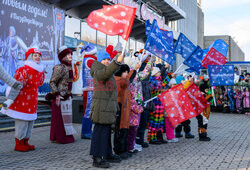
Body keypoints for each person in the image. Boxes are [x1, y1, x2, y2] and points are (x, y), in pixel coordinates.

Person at [3, 48, 45, 151]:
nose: (38, 57)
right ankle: (19, 143)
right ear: (30, 57)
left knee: (30, 123)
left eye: (39, 55)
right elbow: (16, 86)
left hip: (32, 102)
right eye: (35, 55)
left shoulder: (39, 72)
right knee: (22, 123)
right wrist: (10, 99)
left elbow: (39, 84)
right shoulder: (23, 70)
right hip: (21, 101)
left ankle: (26, 142)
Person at [90, 51, 124, 168]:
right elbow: (104, 74)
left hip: (108, 108)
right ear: (99, 61)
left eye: (108, 60)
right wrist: (116, 62)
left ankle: (108, 154)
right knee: (99, 132)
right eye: (104, 60)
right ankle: (97, 158)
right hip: (101, 108)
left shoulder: (107, 72)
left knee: (107, 132)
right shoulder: (97, 70)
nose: (106, 61)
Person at [46, 46, 76, 144]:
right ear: (63, 57)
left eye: (70, 54)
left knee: (65, 118)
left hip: (66, 97)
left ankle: (59, 136)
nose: (70, 55)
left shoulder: (70, 67)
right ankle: (60, 137)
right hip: (60, 97)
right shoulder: (59, 67)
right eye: (67, 54)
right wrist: (57, 94)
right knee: (59, 119)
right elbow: (52, 82)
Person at [113, 64, 134, 159]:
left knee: (125, 130)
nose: (126, 74)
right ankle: (119, 150)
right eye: (124, 72)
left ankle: (124, 149)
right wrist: (134, 71)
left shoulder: (122, 80)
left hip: (125, 109)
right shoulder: (119, 81)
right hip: (120, 108)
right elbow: (125, 83)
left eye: (127, 72)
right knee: (120, 130)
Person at [81, 44, 97, 139]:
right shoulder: (90, 60)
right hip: (89, 89)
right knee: (88, 110)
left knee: (89, 110)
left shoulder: (87, 59)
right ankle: (86, 131)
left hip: (89, 88)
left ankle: (87, 130)